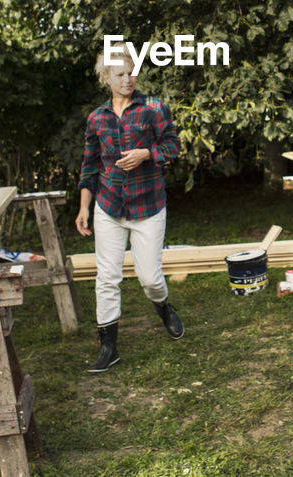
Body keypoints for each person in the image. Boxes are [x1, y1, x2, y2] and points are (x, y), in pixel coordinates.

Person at [76, 50, 183, 372]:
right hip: (108, 206)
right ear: (106, 78)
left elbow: (173, 146)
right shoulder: (97, 118)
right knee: (106, 278)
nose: (128, 79)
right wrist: (84, 207)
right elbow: (89, 165)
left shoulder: (154, 107)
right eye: (120, 74)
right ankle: (109, 347)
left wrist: (146, 154)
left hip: (148, 205)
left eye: (131, 73)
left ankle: (163, 307)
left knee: (149, 278)